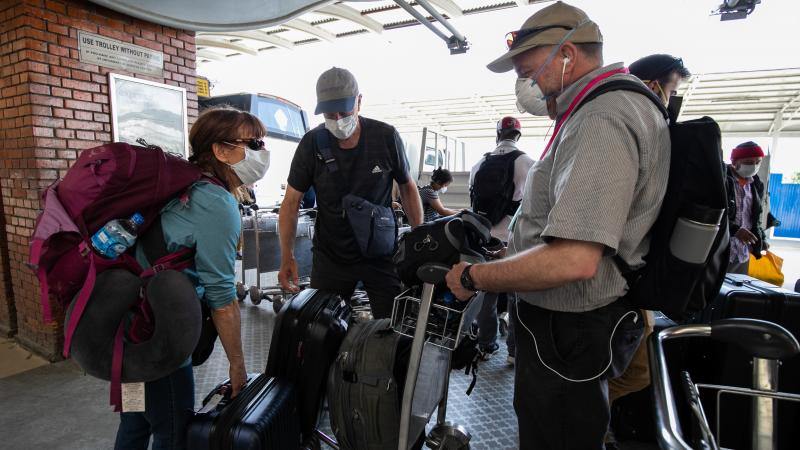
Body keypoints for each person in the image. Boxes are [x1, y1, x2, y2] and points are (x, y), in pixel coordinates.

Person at [444, 2, 670, 448]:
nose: (526, 86)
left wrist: (475, 277)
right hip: (568, 329)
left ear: (567, 55)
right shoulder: (599, 109)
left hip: (570, 330)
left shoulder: (602, 118)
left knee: (557, 435)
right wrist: (510, 255)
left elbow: (574, 259)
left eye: (530, 73)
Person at [116, 106, 269, 449]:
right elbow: (222, 297)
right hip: (159, 337)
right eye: (253, 143)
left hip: (126, 328)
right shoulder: (214, 201)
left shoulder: (178, 183)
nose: (262, 152)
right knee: (173, 432)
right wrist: (237, 366)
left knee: (135, 421)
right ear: (220, 150)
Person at [278, 67, 423, 320]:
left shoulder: (386, 137)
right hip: (331, 256)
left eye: (344, 112)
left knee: (391, 326)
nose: (337, 119)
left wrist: (420, 239)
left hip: (380, 254)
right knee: (320, 328)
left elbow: (408, 188)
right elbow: (291, 203)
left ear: (359, 101)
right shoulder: (312, 143)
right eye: (329, 114)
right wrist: (287, 256)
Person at [602, 53, 691, 450]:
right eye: (672, 89)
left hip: (631, 281)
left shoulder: (647, 129)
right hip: (619, 283)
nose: (673, 100)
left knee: (635, 367)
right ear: (653, 84)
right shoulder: (633, 126)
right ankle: (599, 423)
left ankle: (602, 421)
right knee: (628, 368)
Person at [469, 116, 534, 363]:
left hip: (485, 238)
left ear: (498, 134)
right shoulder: (527, 162)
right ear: (518, 135)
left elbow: (473, 202)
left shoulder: (480, 163)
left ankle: (486, 344)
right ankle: (514, 352)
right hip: (513, 241)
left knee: (487, 294)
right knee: (516, 297)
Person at [726, 141, 769, 274]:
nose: (754, 166)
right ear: (734, 161)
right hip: (722, 250)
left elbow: (756, 217)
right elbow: (715, 213)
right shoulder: (722, 180)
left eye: (758, 162)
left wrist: (761, 238)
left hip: (743, 253)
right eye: (749, 162)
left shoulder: (756, 185)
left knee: (737, 292)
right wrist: (735, 230)